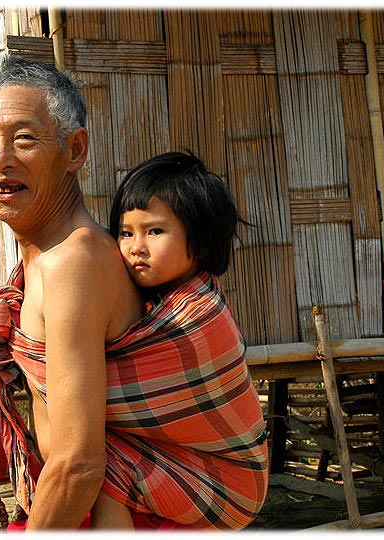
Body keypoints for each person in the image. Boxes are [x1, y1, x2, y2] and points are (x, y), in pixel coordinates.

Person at [0, 57, 268, 531]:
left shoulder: (73, 262)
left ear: (75, 150)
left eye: (24, 138)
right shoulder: (46, 257)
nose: (0, 159)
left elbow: (79, 465)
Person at [88, 151, 268, 529]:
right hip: (187, 464)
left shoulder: (199, 315)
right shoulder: (151, 299)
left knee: (101, 464)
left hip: (229, 482)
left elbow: (106, 391)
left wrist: (39, 361)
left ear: (200, 242)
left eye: (154, 231)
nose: (136, 246)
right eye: (126, 232)